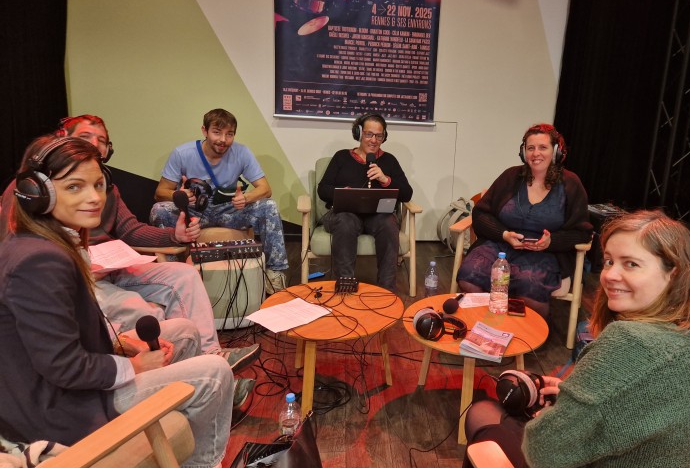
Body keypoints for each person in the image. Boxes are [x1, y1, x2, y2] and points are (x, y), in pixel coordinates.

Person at [459, 210, 690, 468]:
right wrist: (574, 398)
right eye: (609, 261)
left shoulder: (629, 340)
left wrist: (551, 414)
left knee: (482, 415)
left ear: (672, 273)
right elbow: (641, 409)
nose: (611, 275)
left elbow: (544, 454)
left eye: (631, 264)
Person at [0, 135, 233, 468]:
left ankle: (161, 443)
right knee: (215, 373)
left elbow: (59, 338)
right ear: (36, 192)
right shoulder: (39, 261)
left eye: (97, 185)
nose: (94, 197)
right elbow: (62, 366)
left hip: (68, 386)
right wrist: (133, 367)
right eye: (74, 186)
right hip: (59, 407)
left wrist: (121, 344)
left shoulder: (45, 242)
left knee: (184, 330)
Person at [0, 115, 260, 375]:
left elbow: (131, 230)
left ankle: (212, 356)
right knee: (143, 311)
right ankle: (189, 376)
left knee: (185, 275)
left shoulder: (108, 188)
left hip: (114, 268)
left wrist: (175, 236)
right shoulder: (31, 197)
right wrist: (78, 264)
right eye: (85, 137)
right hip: (84, 277)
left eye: (101, 140)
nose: (93, 196)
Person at [456, 123, 593, 317]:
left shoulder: (570, 183)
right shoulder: (511, 176)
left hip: (544, 253)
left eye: (543, 147)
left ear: (556, 151)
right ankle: (484, 326)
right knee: (469, 276)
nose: (536, 153)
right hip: (500, 245)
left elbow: (582, 232)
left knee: (529, 286)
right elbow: (480, 214)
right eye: (530, 148)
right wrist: (504, 234)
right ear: (523, 152)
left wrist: (551, 241)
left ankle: (524, 333)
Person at [150, 108, 289, 293]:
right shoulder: (182, 153)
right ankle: (173, 272)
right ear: (204, 131)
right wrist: (180, 196)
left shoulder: (242, 152)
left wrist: (245, 198)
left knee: (269, 207)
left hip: (228, 211)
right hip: (194, 213)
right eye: (217, 132)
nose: (223, 140)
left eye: (229, 134)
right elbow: (160, 192)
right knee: (159, 209)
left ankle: (275, 275)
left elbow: (265, 189)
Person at [316, 113, 412, 290]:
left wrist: (385, 179)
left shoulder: (389, 160)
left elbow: (407, 194)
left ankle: (386, 290)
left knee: (388, 223)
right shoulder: (341, 157)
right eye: (369, 134)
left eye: (379, 136)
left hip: (378, 216)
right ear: (358, 133)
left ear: (384, 137)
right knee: (346, 221)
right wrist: (342, 192)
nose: (374, 140)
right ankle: (345, 286)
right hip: (344, 215)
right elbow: (323, 189)